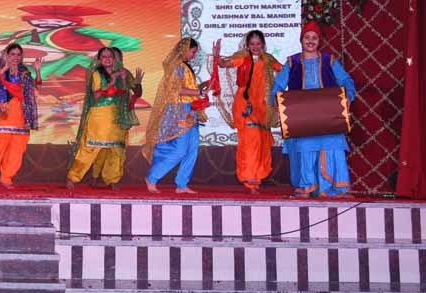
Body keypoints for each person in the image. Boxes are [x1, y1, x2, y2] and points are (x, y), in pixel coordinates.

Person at [270, 22, 356, 198]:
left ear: (319, 41)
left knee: (332, 146)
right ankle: (307, 187)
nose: (310, 41)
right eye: (307, 37)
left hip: (329, 116)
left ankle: (336, 188)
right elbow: (277, 86)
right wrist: (277, 103)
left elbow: (346, 81)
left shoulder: (329, 60)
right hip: (303, 118)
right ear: (301, 40)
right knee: (305, 148)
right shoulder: (292, 62)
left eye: (314, 38)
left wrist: (348, 97)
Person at [215, 31, 283, 194]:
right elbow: (225, 64)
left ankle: (256, 178)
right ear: (247, 45)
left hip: (262, 107)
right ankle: (251, 179)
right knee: (251, 140)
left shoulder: (268, 59)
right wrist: (218, 57)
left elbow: (283, 69)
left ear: (263, 44)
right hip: (245, 105)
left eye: (258, 43)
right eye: (252, 44)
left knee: (261, 142)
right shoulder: (243, 57)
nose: (255, 47)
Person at [66, 47, 142, 191]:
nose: (107, 59)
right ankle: (73, 177)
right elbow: (95, 96)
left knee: (116, 150)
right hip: (99, 116)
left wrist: (126, 80)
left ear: (115, 59)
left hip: (117, 115)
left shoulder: (123, 73)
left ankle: (113, 179)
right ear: (99, 60)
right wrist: (111, 82)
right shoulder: (97, 74)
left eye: (110, 56)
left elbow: (128, 94)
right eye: (104, 57)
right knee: (90, 148)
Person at [143, 38, 210, 194]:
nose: (194, 55)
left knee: (192, 149)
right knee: (180, 149)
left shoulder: (185, 66)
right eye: (193, 52)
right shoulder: (176, 66)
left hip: (191, 109)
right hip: (179, 110)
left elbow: (188, 90)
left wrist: (202, 87)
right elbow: (176, 90)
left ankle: (182, 184)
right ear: (184, 49)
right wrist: (199, 91)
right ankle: (152, 177)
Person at [0, 45, 41, 189]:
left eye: (18, 54)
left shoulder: (24, 73)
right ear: (6, 55)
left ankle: (7, 177)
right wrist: (5, 68)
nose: (15, 57)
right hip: (4, 113)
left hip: (20, 115)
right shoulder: (1, 71)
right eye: (12, 54)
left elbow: (35, 90)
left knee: (16, 150)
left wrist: (37, 71)